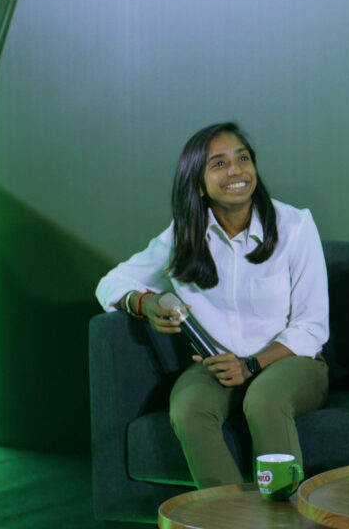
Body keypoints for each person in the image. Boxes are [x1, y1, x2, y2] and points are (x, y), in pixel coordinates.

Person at [95, 122, 329, 489]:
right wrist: (146, 302)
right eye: (219, 164)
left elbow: (312, 327)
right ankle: (228, 519)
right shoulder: (184, 234)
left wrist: (251, 364)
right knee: (188, 410)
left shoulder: (295, 226)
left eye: (243, 159)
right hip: (217, 365)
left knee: (264, 401)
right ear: (199, 185)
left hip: (290, 361)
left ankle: (286, 518)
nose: (236, 170)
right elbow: (111, 283)